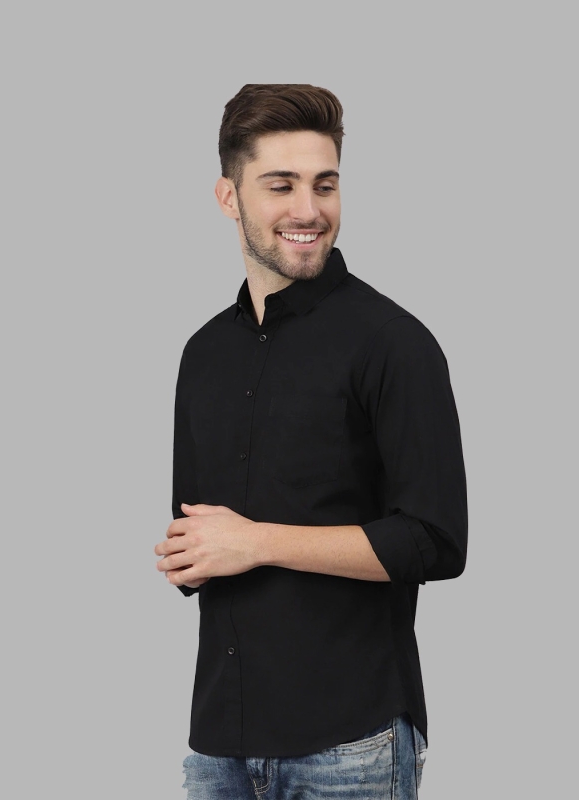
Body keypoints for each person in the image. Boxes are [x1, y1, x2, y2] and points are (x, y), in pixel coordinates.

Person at [154, 83, 468, 799]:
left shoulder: (394, 344)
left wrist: (257, 542)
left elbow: (436, 541)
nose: (309, 209)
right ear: (229, 197)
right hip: (219, 747)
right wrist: (189, 557)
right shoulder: (203, 354)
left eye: (325, 184)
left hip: (348, 744)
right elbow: (198, 532)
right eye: (281, 185)